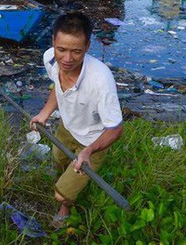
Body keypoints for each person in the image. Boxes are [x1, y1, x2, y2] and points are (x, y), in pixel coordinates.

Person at [30, 12, 124, 229]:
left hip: (93, 139)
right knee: (59, 160)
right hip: (67, 127)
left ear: (88, 47)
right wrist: (44, 114)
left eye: (76, 51)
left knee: (61, 196)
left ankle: (65, 207)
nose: (67, 59)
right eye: (62, 49)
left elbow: (116, 129)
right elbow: (57, 86)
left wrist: (89, 151)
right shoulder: (50, 58)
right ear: (53, 40)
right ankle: (68, 182)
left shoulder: (100, 80)